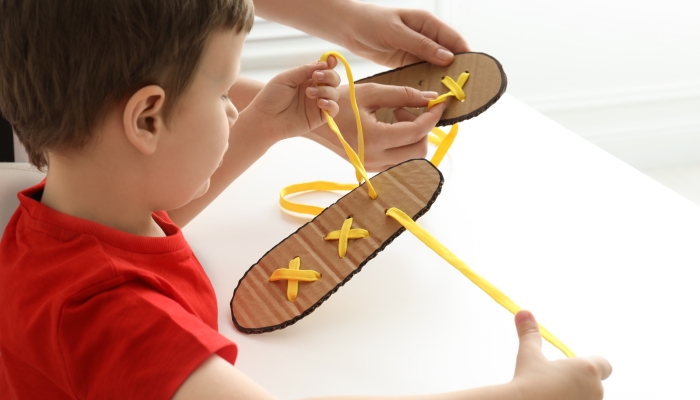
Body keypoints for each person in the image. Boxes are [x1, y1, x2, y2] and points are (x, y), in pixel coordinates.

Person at [0, 0, 611, 399]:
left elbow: (152, 218)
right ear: (148, 119)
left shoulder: (49, 227)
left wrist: (267, 125)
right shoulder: (120, 322)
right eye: (221, 93)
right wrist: (527, 396)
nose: (234, 104)